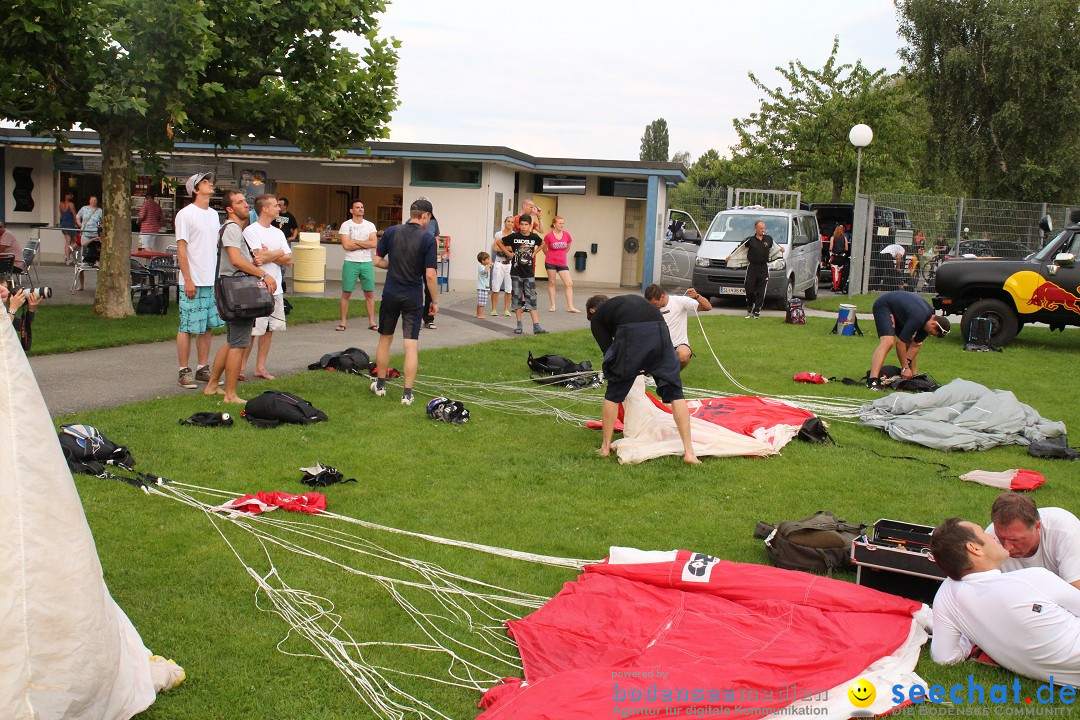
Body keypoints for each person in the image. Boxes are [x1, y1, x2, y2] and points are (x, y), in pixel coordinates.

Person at [928, 517, 1080, 687]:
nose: (992, 537)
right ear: (975, 548)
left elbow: (944, 658)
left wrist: (975, 634)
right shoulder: (1034, 578)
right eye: (983, 533)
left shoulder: (946, 596)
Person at [586, 294, 699, 464]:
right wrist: (647, 364)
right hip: (660, 329)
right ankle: (690, 453)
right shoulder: (624, 302)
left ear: (592, 310)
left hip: (631, 331)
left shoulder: (597, 318)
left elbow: (609, 352)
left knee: (613, 394)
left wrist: (625, 371)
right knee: (675, 394)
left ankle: (605, 448)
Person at [203, 190, 277, 404]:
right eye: (240, 202)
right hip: (238, 292)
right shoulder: (233, 228)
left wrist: (255, 259)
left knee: (232, 341)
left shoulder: (233, 229)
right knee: (238, 343)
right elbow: (235, 260)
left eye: (245, 201)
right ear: (229, 209)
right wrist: (263, 273)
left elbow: (239, 259)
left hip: (231, 290)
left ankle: (212, 385)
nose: (246, 205)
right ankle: (231, 394)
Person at [370, 198, 439, 406]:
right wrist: (434, 300)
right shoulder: (427, 239)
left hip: (391, 293)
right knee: (410, 345)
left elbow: (376, 260)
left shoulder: (391, 232)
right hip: (412, 296)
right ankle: (407, 394)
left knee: (385, 339)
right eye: (429, 218)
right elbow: (430, 275)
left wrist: (393, 267)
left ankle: (381, 386)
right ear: (425, 215)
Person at [174, 172, 224, 390]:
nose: (209, 183)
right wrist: (188, 278)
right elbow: (182, 249)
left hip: (209, 278)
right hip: (192, 279)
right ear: (195, 190)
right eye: (204, 182)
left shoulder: (214, 215)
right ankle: (183, 370)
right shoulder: (185, 215)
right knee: (187, 326)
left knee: (206, 326)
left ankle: (202, 367)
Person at [240, 194, 291, 381]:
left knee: (270, 328)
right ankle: (241, 367)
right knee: (253, 329)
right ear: (265, 209)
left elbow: (288, 259)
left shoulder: (278, 233)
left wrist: (271, 254)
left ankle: (260, 367)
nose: (279, 209)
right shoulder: (251, 231)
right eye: (275, 206)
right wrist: (277, 253)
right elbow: (257, 258)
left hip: (275, 287)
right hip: (257, 286)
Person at [987, 493, 1080, 590]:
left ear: (1037, 527)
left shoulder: (1066, 532)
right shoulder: (990, 537)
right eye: (1001, 538)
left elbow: (1076, 590)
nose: (1006, 548)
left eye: (1015, 540)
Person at [868, 290, 950, 390]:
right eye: (932, 333)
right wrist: (904, 368)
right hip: (885, 305)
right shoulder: (919, 317)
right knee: (888, 341)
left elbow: (915, 345)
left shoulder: (928, 321)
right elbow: (900, 344)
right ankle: (872, 380)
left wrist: (907, 367)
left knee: (910, 342)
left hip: (900, 311)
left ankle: (914, 375)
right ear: (933, 324)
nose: (930, 334)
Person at [494, 213, 548, 335]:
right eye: (522, 224)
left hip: (529, 273)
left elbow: (543, 243)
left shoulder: (534, 237)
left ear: (530, 225)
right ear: (519, 225)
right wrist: (509, 254)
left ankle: (536, 326)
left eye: (526, 225)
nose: (524, 227)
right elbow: (499, 242)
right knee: (517, 298)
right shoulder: (514, 236)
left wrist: (534, 254)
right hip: (516, 272)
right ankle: (519, 325)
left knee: (532, 298)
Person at [644, 284, 712, 370]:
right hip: (658, 345)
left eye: (654, 303)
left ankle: (673, 375)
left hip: (678, 344)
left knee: (684, 354)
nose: (653, 306)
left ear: (662, 296)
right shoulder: (648, 307)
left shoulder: (679, 301)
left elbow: (708, 307)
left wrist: (697, 296)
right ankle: (652, 374)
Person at [337, 199, 378, 332]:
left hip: (366, 262)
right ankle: (343, 322)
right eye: (357, 207)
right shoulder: (346, 225)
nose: (360, 209)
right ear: (351, 210)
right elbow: (346, 245)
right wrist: (363, 243)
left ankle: (372, 322)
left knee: (369, 293)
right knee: (346, 293)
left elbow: (374, 243)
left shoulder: (370, 225)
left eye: (362, 207)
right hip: (351, 262)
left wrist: (355, 242)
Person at [743, 220, 780, 319]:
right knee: (749, 288)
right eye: (760, 228)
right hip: (752, 267)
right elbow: (740, 249)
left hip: (763, 267)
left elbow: (775, 248)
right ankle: (749, 307)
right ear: (756, 228)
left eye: (764, 228)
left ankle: (757, 310)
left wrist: (781, 250)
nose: (762, 230)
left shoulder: (768, 239)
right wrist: (730, 257)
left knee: (761, 290)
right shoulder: (750, 240)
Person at [543, 215, 579, 313]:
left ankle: (570, 307)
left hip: (562, 262)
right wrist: (550, 256)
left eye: (563, 223)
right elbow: (544, 247)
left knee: (569, 283)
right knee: (552, 283)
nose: (562, 225)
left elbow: (568, 247)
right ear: (554, 224)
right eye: (560, 223)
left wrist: (560, 255)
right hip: (550, 262)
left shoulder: (567, 235)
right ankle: (553, 305)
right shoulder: (549, 236)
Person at [1, 283, 42, 352]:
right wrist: (12, 309)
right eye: (2, 288)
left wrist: (31, 310)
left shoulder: (3, 307)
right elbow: (3, 329)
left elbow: (20, 326)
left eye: (6, 288)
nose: (7, 292)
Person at [74, 195, 103, 288]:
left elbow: (103, 222)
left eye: (95, 200)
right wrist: (79, 224)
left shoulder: (99, 211)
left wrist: (100, 229)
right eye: (92, 200)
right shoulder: (84, 208)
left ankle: (100, 285)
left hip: (95, 233)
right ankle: (81, 285)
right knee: (84, 255)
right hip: (85, 233)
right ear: (89, 201)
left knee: (96, 254)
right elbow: (77, 216)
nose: (94, 202)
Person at [490, 216, 514, 317]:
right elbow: (495, 247)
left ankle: (506, 309)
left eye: (512, 222)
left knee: (509, 288)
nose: (510, 223)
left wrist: (503, 247)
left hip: (509, 264)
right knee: (496, 287)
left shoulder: (514, 235)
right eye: (508, 221)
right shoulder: (498, 234)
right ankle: (494, 309)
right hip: (499, 263)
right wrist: (508, 249)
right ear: (505, 222)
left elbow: (514, 249)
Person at [423, 201, 440, 330]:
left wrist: (435, 255)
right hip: (415, 259)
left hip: (429, 258)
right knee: (415, 289)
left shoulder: (433, 222)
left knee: (430, 289)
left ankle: (428, 319)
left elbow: (436, 239)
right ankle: (414, 319)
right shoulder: (410, 222)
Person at [59, 191, 79, 264]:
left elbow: (61, 215)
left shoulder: (61, 204)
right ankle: (68, 255)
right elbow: (75, 215)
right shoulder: (71, 204)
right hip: (70, 224)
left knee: (68, 241)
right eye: (70, 195)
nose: (72, 196)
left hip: (64, 224)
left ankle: (67, 258)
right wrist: (77, 223)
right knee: (77, 241)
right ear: (66, 195)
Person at [829, 224, 850, 293]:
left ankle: (835, 287)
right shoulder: (844, 238)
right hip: (842, 257)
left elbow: (830, 248)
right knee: (840, 272)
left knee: (835, 272)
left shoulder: (833, 238)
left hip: (835, 257)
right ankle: (839, 285)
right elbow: (846, 248)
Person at [476, 251, 492, 318]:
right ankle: (480, 314)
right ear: (483, 260)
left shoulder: (483, 266)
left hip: (484, 287)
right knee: (482, 302)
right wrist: (488, 265)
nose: (489, 260)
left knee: (481, 302)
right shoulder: (481, 267)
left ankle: (478, 314)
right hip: (482, 287)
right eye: (488, 259)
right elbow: (485, 271)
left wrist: (488, 266)